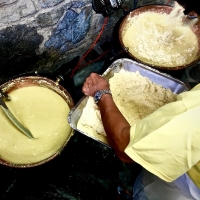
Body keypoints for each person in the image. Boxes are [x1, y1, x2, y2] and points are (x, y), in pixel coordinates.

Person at [81, 1, 200, 199]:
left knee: (150, 190)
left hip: (189, 186)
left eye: (198, 23)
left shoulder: (195, 111)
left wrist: (101, 93)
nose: (194, 29)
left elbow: (126, 148)